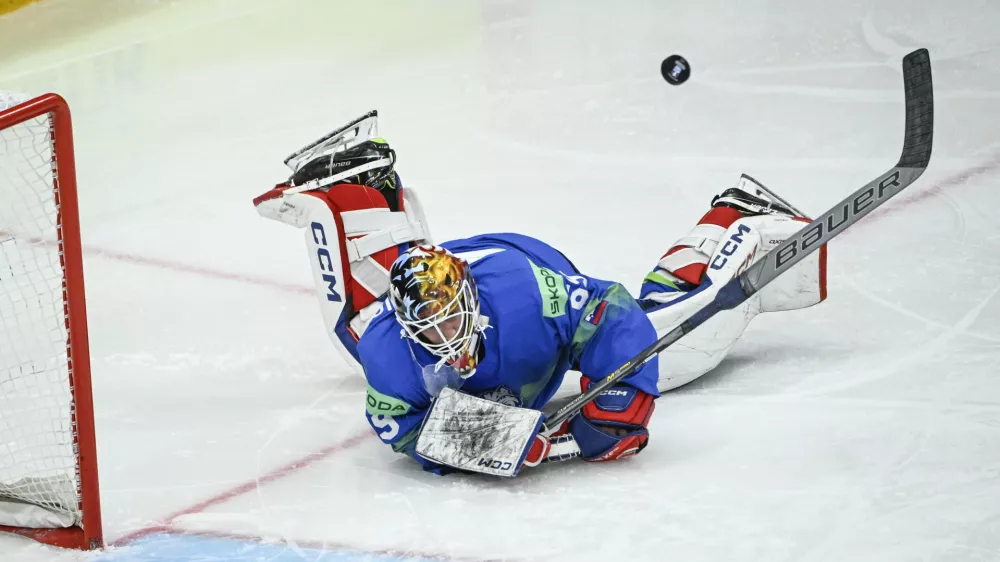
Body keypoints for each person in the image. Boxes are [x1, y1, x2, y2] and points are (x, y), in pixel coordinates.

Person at [254, 112, 826, 476]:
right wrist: (483, 440)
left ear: (473, 304)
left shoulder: (530, 299)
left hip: (522, 262)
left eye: (452, 322)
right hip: (450, 268)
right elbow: (400, 424)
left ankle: (735, 219)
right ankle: (354, 195)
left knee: (671, 347)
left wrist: (622, 397)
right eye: (427, 327)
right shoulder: (388, 346)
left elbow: (610, 311)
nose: (444, 339)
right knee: (354, 338)